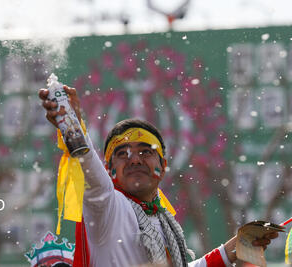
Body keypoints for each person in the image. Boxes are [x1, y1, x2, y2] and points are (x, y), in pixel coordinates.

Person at [39, 85, 278, 267]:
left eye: (145, 151)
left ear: (163, 167)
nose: (134, 159)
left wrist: (231, 249)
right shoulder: (108, 206)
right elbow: (89, 167)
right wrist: (71, 125)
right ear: (110, 171)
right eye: (122, 154)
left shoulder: (163, 220)